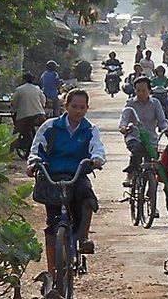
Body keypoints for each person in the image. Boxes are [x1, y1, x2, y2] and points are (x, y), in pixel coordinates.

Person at [27, 89, 106, 276]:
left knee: (87, 199)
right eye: (74, 106)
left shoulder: (90, 130)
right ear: (66, 106)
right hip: (51, 176)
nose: (78, 111)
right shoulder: (50, 127)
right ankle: (52, 272)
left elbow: (98, 150)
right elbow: (36, 150)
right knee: (52, 226)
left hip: (77, 175)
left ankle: (84, 238)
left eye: (82, 107)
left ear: (87, 108)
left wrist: (96, 160)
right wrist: (32, 165)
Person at [119, 76, 168, 188]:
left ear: (149, 90)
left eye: (143, 90)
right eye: (138, 90)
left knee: (154, 163)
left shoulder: (155, 103)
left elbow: (162, 120)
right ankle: (130, 174)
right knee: (137, 149)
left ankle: (151, 188)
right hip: (134, 136)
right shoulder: (130, 104)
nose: (141, 93)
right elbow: (124, 119)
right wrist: (124, 128)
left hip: (151, 139)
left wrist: (165, 129)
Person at [11, 72, 46, 149]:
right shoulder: (37, 89)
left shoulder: (20, 89)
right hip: (39, 115)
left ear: (23, 79)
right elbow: (43, 102)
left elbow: (14, 102)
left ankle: (10, 152)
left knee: (15, 134)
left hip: (24, 116)